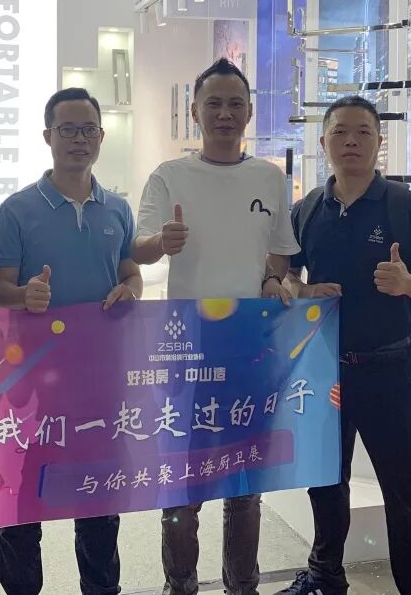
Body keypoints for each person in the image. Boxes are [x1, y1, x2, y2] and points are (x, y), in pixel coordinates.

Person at [132, 58, 300, 595]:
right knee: (181, 485)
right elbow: (138, 248)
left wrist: (274, 279)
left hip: (250, 347)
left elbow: (280, 256)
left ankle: (242, 585)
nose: (224, 114)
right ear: (194, 111)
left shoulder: (269, 178)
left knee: (244, 483)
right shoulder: (169, 176)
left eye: (234, 104)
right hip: (186, 346)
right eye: (214, 104)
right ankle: (179, 585)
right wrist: (162, 242)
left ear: (249, 112)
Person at [278, 95, 411, 595]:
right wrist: (303, 291)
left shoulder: (409, 208)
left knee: (404, 490)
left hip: (390, 371)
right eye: (340, 132)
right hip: (325, 370)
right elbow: (284, 277)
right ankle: (325, 577)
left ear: (380, 142)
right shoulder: (306, 210)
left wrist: (409, 284)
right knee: (325, 482)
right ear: (323, 142)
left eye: (362, 132)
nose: (350, 141)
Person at [0, 87, 143, 595]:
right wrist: (24, 295)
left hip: (99, 376)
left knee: (99, 494)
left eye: (88, 130)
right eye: (68, 129)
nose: (79, 139)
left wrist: (130, 289)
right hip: (30, 378)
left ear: (101, 136)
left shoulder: (117, 208)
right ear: (47, 136)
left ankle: (101, 588)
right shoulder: (17, 210)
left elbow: (129, 272)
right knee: (22, 494)